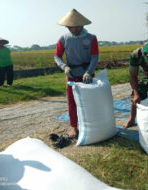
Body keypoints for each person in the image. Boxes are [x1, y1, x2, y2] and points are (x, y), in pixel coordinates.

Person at [54, 9, 99, 138]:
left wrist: (89, 72)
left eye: (76, 27)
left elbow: (95, 57)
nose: (73, 30)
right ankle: (74, 127)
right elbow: (57, 56)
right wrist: (64, 67)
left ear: (82, 25)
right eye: (70, 27)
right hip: (72, 75)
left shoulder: (91, 38)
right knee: (72, 101)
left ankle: (91, 125)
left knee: (89, 101)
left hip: (87, 74)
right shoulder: (64, 39)